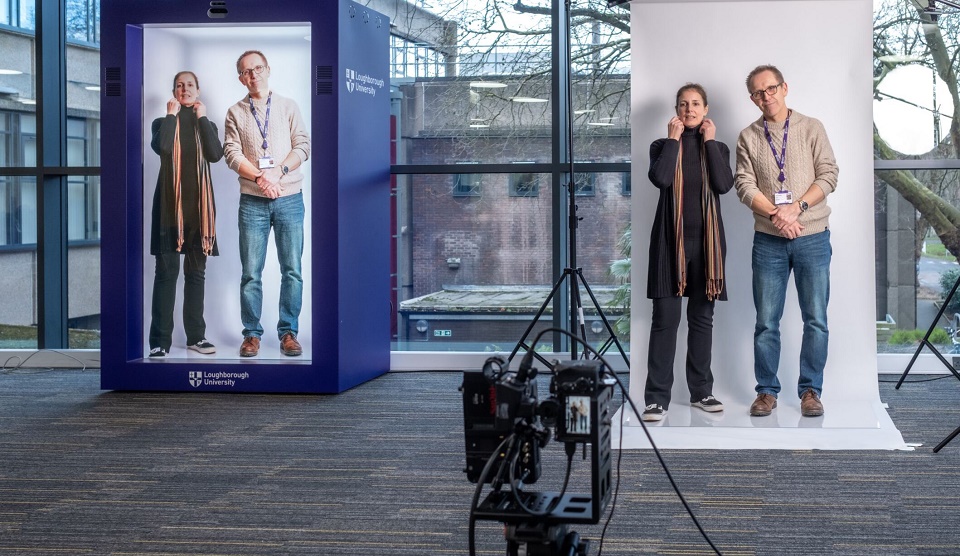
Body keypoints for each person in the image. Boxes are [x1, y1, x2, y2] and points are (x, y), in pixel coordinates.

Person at [734, 65, 839, 417]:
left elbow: (829, 175)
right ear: (752, 98)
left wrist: (797, 207)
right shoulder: (747, 136)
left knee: (816, 320)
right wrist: (778, 216)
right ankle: (766, 391)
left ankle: (811, 390)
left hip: (813, 237)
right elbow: (744, 186)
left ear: (785, 87)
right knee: (766, 322)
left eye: (772, 88)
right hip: (768, 241)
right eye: (759, 92)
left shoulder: (812, 127)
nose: (767, 96)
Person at [641, 83, 734, 422]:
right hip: (670, 246)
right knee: (665, 321)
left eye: (696, 104)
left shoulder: (718, 148)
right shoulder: (662, 146)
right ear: (676, 110)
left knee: (702, 320)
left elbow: (724, 185)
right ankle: (656, 398)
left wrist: (708, 142)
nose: (689, 109)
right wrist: (672, 140)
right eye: (683, 104)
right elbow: (662, 180)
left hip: (707, 247)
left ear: (706, 109)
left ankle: (701, 392)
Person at [223, 50, 311, 357]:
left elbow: (303, 146)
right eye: (247, 71)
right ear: (241, 78)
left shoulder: (288, 106)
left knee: (292, 270)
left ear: (268, 69)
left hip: (289, 199)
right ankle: (252, 334)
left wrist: (278, 172)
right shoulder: (235, 112)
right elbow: (231, 154)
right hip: (252, 202)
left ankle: (288, 332)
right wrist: (262, 177)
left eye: (258, 68)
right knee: (251, 272)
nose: (253, 74)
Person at [148, 70, 223, 358]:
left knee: (196, 275)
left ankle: (196, 337)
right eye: (179, 85)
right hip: (169, 213)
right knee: (166, 275)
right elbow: (163, 148)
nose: (185, 89)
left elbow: (216, 155)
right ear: (174, 92)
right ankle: (160, 342)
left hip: (199, 215)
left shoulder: (207, 124)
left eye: (190, 85)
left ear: (198, 91)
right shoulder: (161, 123)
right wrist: (170, 115)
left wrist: (202, 118)